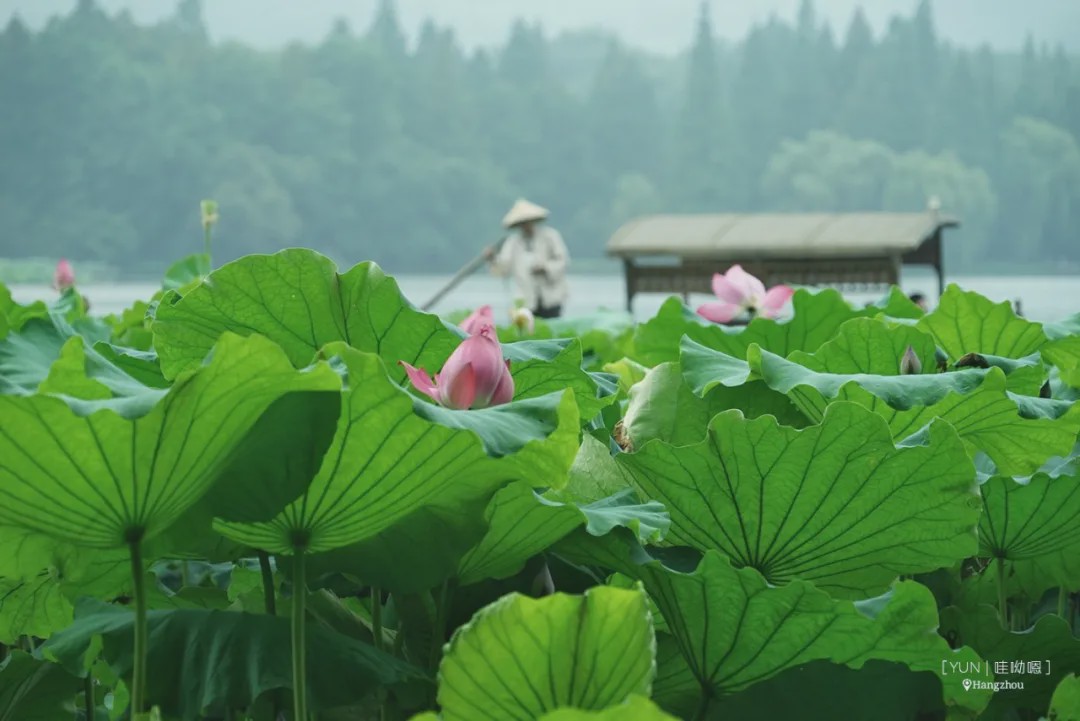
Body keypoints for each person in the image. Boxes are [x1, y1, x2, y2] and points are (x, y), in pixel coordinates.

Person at [483, 199, 569, 319]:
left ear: (533, 221)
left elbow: (562, 261)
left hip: (551, 296)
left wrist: (545, 268)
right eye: (523, 223)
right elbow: (503, 268)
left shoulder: (550, 236)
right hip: (525, 299)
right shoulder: (513, 243)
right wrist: (492, 259)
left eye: (528, 222)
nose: (526, 225)